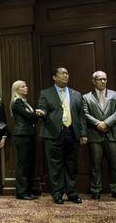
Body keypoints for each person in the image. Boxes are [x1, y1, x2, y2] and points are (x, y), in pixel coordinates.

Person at [37, 67, 87, 204]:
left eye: (67, 73)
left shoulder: (76, 94)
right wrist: (42, 113)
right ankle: (57, 193)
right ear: (54, 77)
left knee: (72, 165)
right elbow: (43, 110)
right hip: (53, 133)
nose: (66, 76)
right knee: (55, 166)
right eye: (62, 73)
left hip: (72, 133)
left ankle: (72, 193)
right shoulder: (46, 93)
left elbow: (81, 115)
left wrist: (83, 133)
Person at [83, 71, 116, 200]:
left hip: (112, 134)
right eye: (99, 79)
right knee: (96, 165)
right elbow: (84, 113)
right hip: (95, 135)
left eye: (105, 79)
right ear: (93, 81)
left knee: (115, 165)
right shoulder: (86, 97)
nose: (103, 81)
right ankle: (96, 190)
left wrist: (106, 123)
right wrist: (97, 123)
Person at [10, 80, 45, 200]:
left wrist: (36, 114)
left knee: (28, 164)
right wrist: (39, 113)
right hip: (21, 135)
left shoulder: (24, 102)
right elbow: (29, 116)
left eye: (26, 85)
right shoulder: (17, 102)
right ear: (17, 89)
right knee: (23, 164)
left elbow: (32, 119)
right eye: (23, 86)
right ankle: (21, 192)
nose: (26, 88)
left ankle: (27, 191)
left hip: (27, 134)